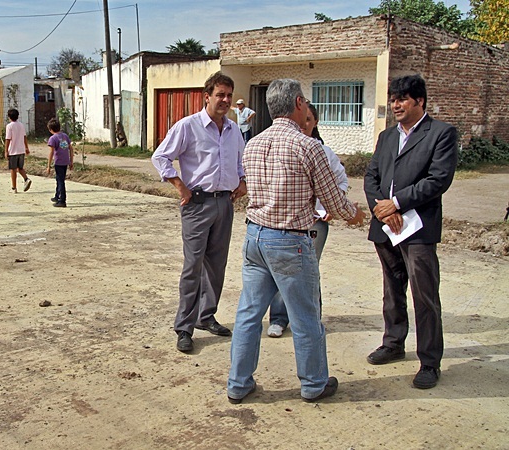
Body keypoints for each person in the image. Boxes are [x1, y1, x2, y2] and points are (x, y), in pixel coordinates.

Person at [227, 79, 365, 404]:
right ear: (300, 103)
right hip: (289, 241)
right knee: (305, 316)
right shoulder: (308, 146)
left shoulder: (254, 144)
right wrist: (354, 214)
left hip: (255, 236)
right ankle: (314, 383)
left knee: (248, 314)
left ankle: (238, 383)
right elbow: (332, 202)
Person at [364, 74, 457, 389]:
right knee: (392, 289)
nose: (395, 105)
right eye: (393, 99)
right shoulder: (388, 136)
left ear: (420, 101)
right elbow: (372, 175)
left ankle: (430, 362)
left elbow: (438, 179)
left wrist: (397, 203)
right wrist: (380, 207)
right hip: (386, 227)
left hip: (417, 228)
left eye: (402, 99)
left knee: (424, 295)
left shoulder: (441, 134)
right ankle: (393, 343)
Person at [151, 72, 247, 353]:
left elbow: (240, 161)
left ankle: (207, 316)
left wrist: (242, 182)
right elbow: (160, 156)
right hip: (197, 205)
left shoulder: (233, 130)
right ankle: (185, 326)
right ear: (207, 97)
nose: (226, 100)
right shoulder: (188, 127)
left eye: (229, 95)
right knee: (193, 267)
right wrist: (180, 185)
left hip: (224, 204)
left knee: (217, 266)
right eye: (220, 95)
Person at [266, 102, 349, 338]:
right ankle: (279, 318)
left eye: (310, 120)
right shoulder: (283, 148)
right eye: (302, 120)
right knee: (283, 269)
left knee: (310, 270)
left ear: (315, 123)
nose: (304, 125)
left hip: (315, 222)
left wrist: (333, 206)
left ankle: (312, 319)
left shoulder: (324, 152)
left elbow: (340, 182)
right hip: (287, 222)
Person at [46, 118, 74, 207]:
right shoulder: (65, 136)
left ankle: (62, 200)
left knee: (61, 180)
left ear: (50, 130)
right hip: (65, 161)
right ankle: (57, 196)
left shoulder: (53, 138)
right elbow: (71, 148)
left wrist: (48, 165)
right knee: (59, 179)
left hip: (58, 162)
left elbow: (51, 152)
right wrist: (71, 161)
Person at [4, 108, 32, 193]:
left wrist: (6, 151)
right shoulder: (21, 125)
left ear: (9, 117)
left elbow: (8, 139)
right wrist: (26, 148)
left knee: (13, 169)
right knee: (20, 168)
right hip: (21, 150)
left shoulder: (9, 126)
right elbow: (24, 137)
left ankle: (14, 188)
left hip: (13, 151)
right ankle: (26, 179)